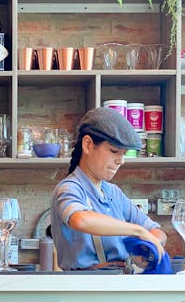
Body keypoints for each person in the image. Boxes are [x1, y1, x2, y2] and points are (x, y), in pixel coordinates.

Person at [51, 106, 167, 271]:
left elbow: (156, 230)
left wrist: (148, 247)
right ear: (88, 145)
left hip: (117, 285)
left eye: (123, 153)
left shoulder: (113, 193)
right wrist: (138, 232)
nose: (121, 161)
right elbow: (80, 220)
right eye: (114, 151)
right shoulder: (69, 188)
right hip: (83, 289)